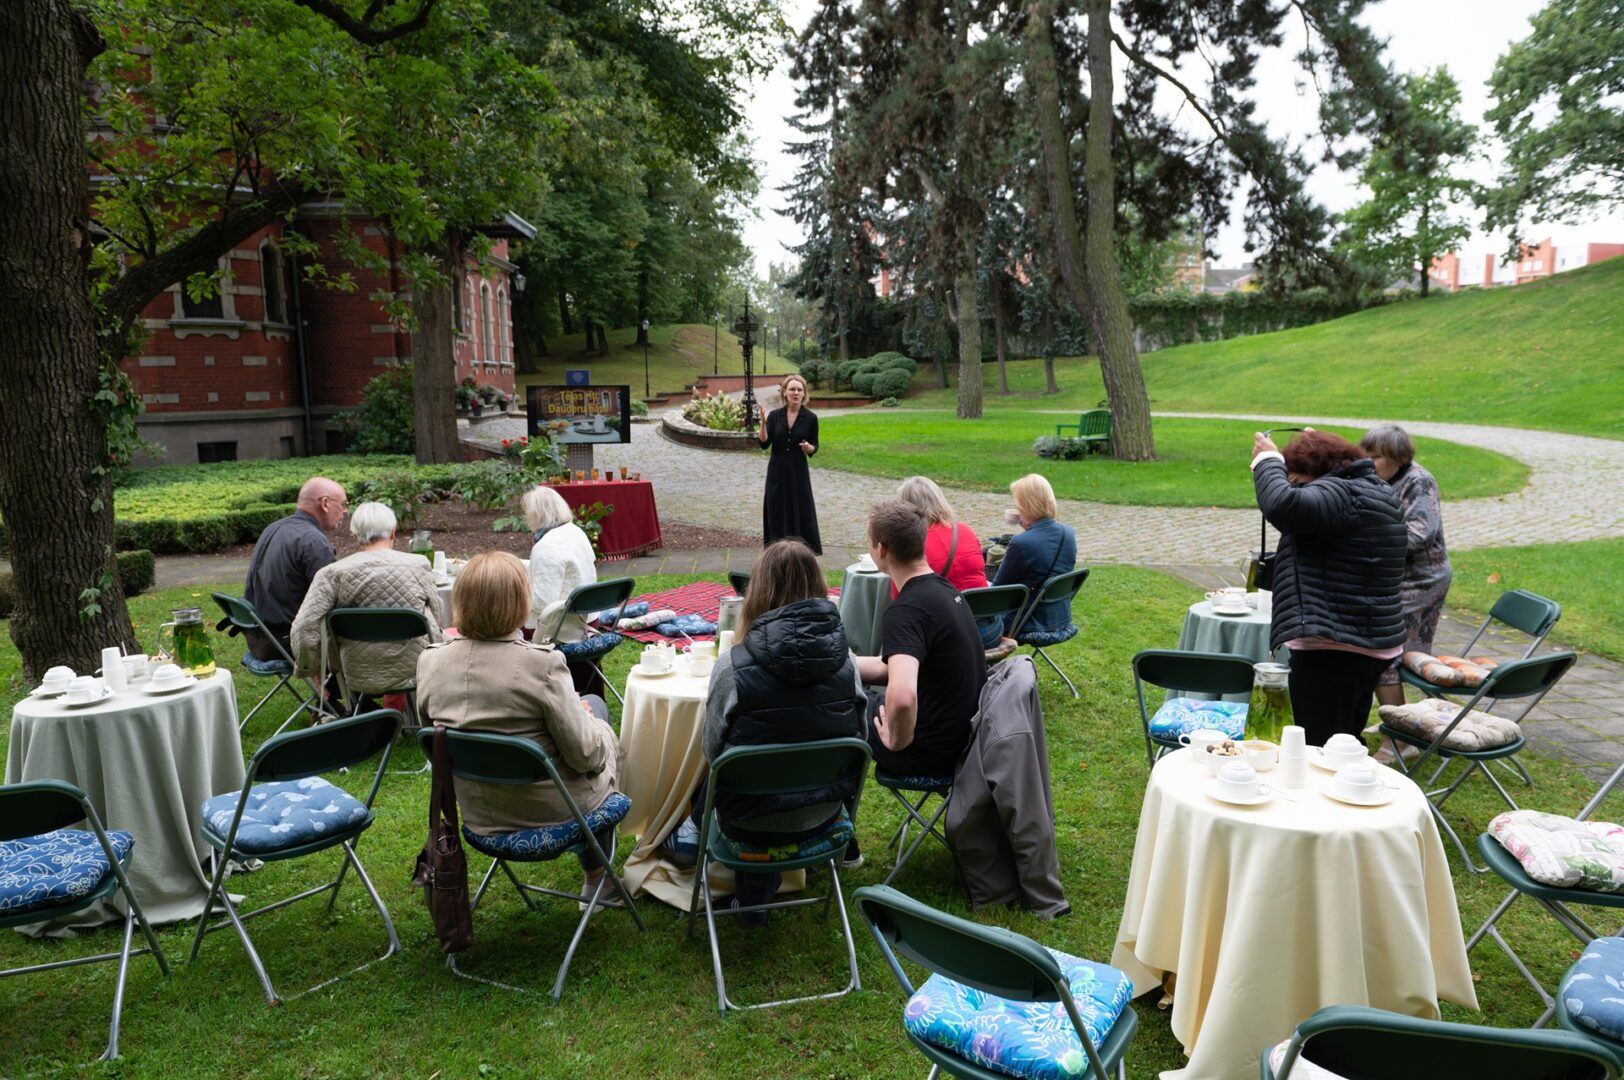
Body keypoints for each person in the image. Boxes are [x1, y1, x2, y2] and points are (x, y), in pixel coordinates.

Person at [676, 539, 865, 925]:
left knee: (744, 786)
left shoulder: (733, 666)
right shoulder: (847, 663)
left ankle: (746, 896)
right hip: (825, 816)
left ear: (757, 590)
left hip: (749, 823)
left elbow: (713, 754)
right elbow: (857, 746)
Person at [415, 552, 623, 900]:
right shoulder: (542, 664)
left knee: (587, 718)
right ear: (520, 602)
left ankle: (599, 874)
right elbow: (586, 756)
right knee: (598, 713)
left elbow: (436, 743)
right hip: (553, 812)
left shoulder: (430, 661)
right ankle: (598, 875)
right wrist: (592, 723)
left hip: (481, 814)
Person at [1251, 429, 1406, 746]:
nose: (1294, 486)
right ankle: (1352, 790)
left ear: (1315, 471)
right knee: (1344, 741)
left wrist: (1267, 460)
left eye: (1296, 480)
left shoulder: (1342, 493)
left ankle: (1333, 794)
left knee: (1319, 748)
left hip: (1336, 647)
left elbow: (1283, 505)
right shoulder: (1369, 489)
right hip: (1364, 642)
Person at [856, 500, 986, 782]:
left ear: (881, 550)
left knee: (837, 705)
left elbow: (903, 698)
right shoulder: (942, 589)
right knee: (851, 691)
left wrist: (897, 740)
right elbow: (897, 665)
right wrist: (845, 664)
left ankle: (824, 812)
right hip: (966, 738)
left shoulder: (906, 610)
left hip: (929, 753)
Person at [289, 500, 443, 703]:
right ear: (393, 533)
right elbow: (438, 613)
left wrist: (311, 668)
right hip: (416, 668)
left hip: (355, 672)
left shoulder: (331, 573)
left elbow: (303, 627)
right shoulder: (419, 565)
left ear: (355, 536)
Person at [1361, 424, 1453, 714]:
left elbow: (1419, 534)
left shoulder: (1419, 481)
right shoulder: (1376, 478)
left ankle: (1401, 732)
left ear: (1398, 457)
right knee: (1378, 647)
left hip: (1422, 581)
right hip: (1390, 578)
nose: (1368, 463)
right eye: (1366, 456)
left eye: (1375, 457)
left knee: (1382, 648)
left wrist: (1367, 541)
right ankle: (1401, 719)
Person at [242, 477, 346, 661]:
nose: (345, 510)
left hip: (260, 639)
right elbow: (335, 603)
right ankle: (333, 690)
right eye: (343, 504)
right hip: (288, 643)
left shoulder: (273, 528)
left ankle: (328, 689)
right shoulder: (314, 542)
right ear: (325, 503)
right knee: (368, 642)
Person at [894, 476, 1001, 648]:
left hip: (952, 637)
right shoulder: (964, 530)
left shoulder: (913, 544)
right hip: (990, 629)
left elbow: (899, 599)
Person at [991, 474, 1078, 638]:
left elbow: (997, 592)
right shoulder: (1069, 533)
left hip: (1025, 621)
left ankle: (983, 664)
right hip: (1059, 617)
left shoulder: (1021, 543)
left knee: (965, 610)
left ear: (1025, 506)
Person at [756, 373, 822, 554]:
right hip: (776, 471)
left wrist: (809, 448)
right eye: (792, 389)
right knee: (776, 509)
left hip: (797, 472)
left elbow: (815, 446)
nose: (796, 392)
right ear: (784, 392)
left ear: (804, 393)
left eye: (799, 390)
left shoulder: (810, 418)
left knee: (800, 510)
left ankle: (801, 553)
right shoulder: (775, 416)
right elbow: (764, 444)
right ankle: (776, 553)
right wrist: (763, 424)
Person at [523, 485, 596, 636]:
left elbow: (542, 602)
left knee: (495, 618)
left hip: (558, 629)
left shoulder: (545, 547)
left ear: (535, 515)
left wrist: (515, 591)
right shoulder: (576, 531)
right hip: (589, 619)